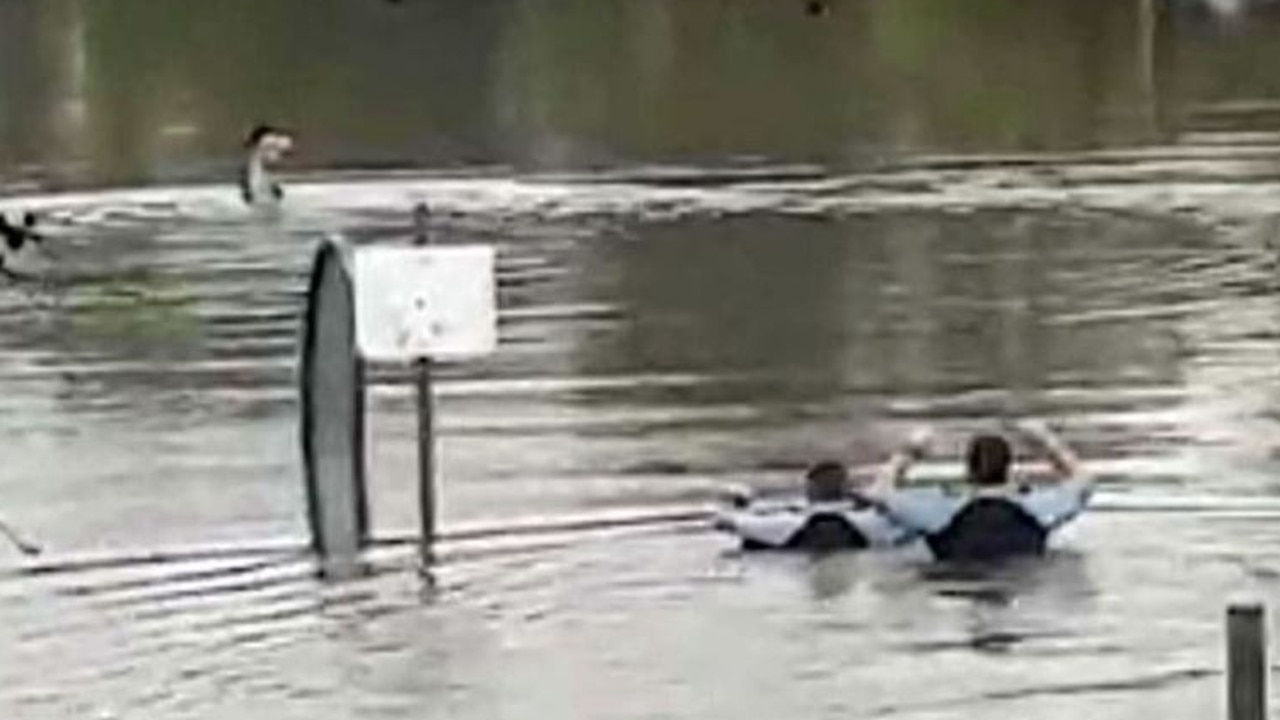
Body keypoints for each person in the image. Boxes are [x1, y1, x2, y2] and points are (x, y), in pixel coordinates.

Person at [862, 420, 1091, 562]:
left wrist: (910, 452)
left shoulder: (938, 511)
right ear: (1008, 470)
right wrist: (1045, 442)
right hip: (1023, 576)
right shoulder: (1038, 508)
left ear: (968, 471)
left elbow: (879, 493)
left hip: (954, 580)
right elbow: (1083, 482)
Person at [714, 460, 909, 552]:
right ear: (846, 487)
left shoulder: (785, 523)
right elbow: (891, 497)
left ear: (810, 489)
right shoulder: (873, 520)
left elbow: (723, 522)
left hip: (791, 559)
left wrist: (744, 505)